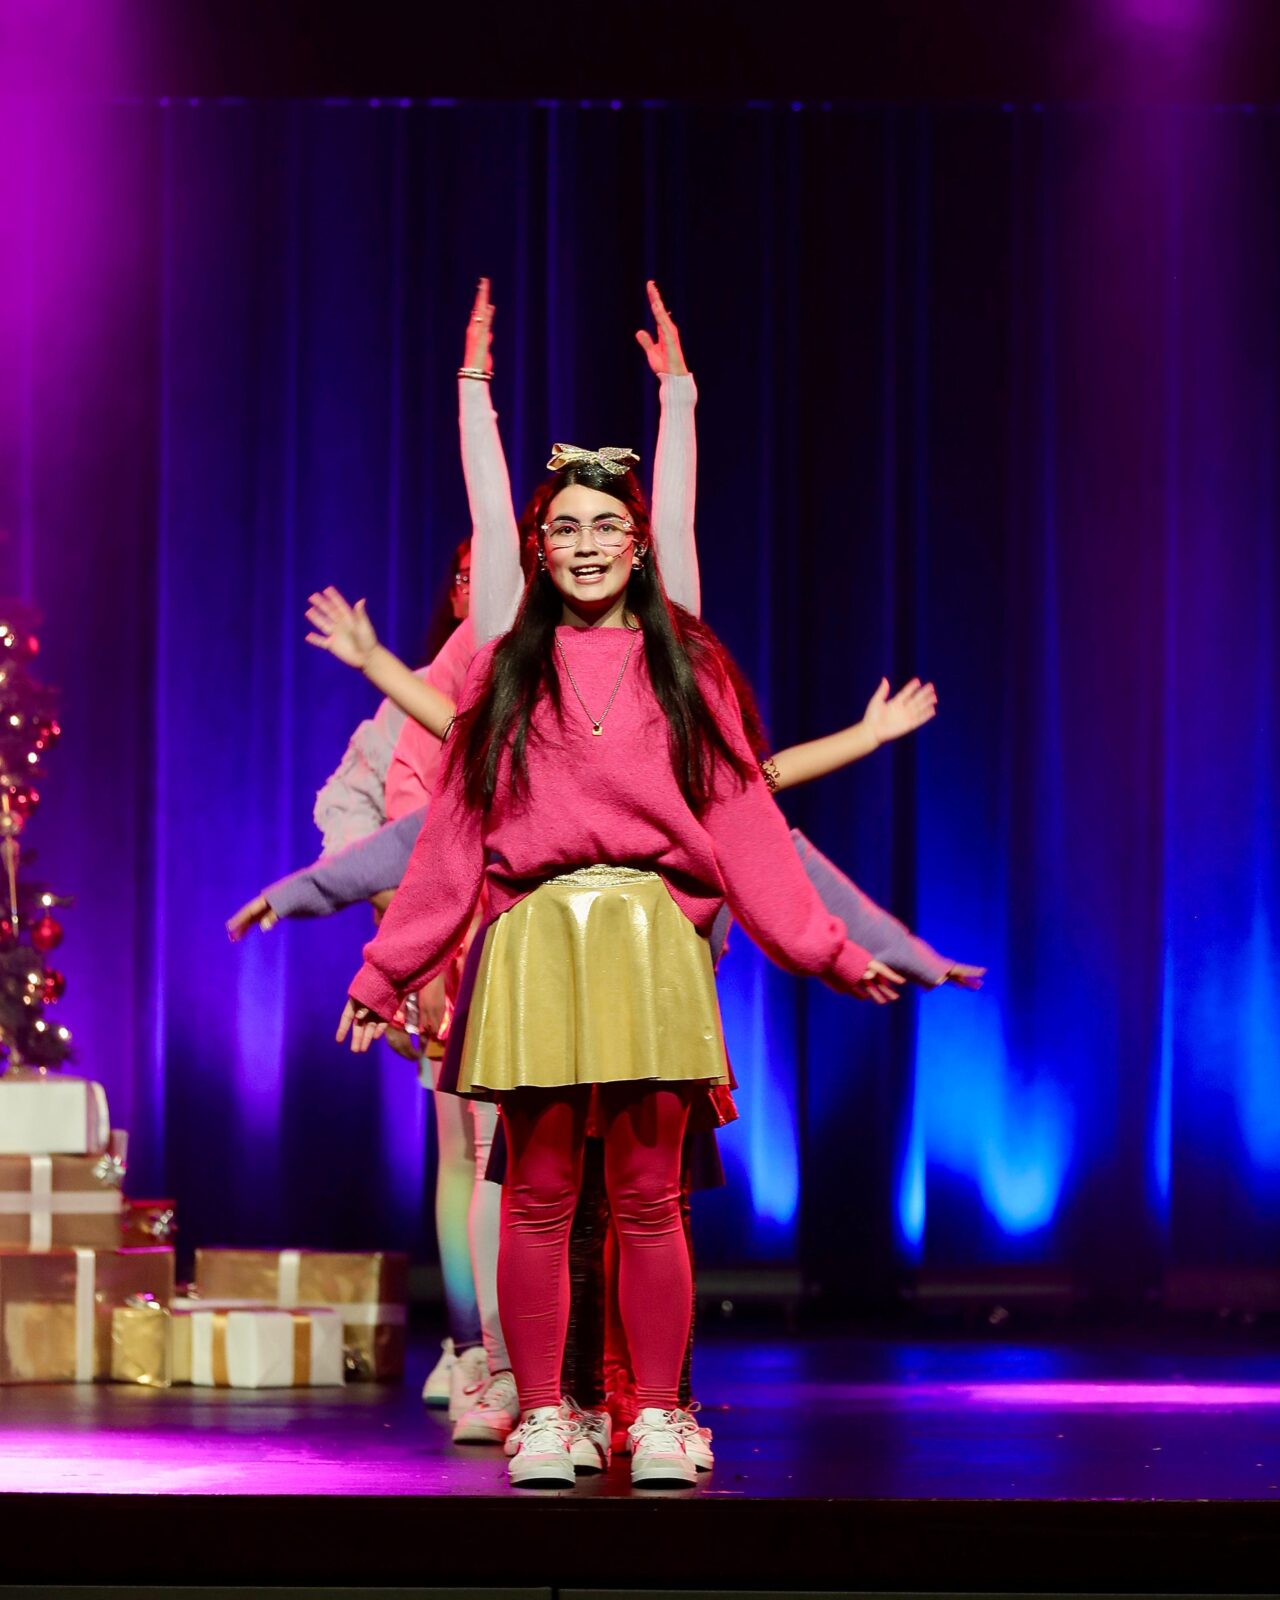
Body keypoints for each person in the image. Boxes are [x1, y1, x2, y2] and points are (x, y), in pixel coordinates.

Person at [337, 439, 905, 1491]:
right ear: (541, 550)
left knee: (649, 1196)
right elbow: (454, 837)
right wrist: (386, 971)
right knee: (537, 1193)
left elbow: (743, 823)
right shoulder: (502, 670)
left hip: (651, 942)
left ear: (639, 545)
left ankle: (658, 1414)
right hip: (536, 940)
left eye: (607, 526)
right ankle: (545, 1414)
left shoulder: (689, 668)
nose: (587, 544)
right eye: (566, 527)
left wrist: (826, 947)